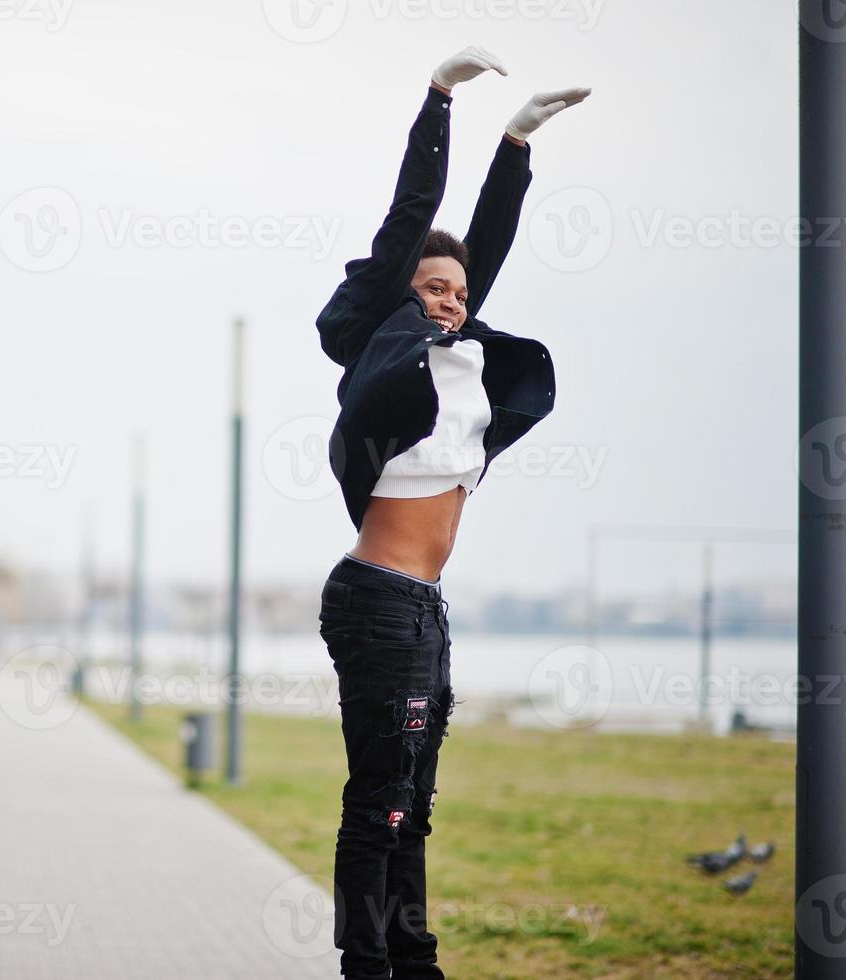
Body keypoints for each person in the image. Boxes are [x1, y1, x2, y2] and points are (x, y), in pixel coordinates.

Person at [313, 47, 589, 979]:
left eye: (460, 294)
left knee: (413, 804)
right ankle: (368, 966)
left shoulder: (463, 355)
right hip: (375, 598)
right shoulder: (382, 349)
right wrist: (439, 101)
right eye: (435, 289)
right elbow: (406, 225)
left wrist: (515, 143)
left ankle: (413, 960)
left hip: (423, 605)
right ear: (403, 297)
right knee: (378, 798)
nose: (451, 301)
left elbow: (489, 243)